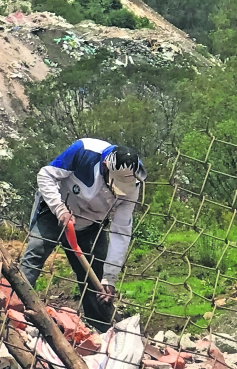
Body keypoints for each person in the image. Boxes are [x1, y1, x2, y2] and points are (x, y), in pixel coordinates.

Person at [18, 139, 146, 332]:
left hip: (91, 225)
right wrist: (59, 209)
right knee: (35, 252)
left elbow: (121, 231)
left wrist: (110, 279)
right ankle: (15, 308)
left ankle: (100, 330)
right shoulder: (84, 151)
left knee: (96, 279)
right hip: (55, 211)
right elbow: (46, 175)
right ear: (105, 167)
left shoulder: (133, 181)